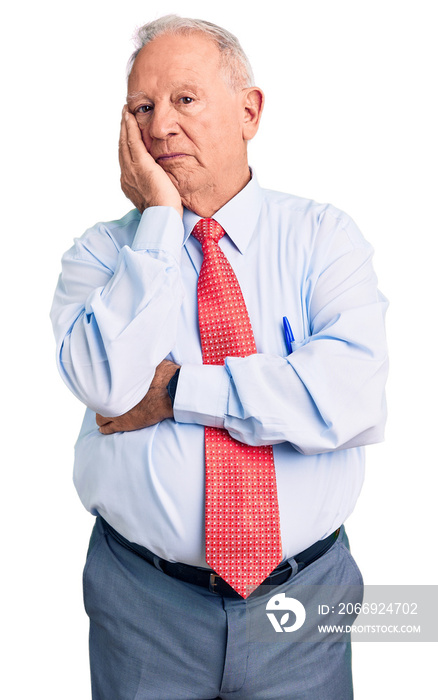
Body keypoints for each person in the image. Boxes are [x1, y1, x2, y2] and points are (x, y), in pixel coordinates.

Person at [50, 15, 388, 700]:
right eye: (142, 109)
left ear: (249, 111)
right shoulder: (100, 256)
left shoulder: (323, 238)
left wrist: (178, 394)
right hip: (143, 604)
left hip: (305, 600)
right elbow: (108, 387)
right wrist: (158, 227)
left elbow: (349, 399)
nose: (161, 127)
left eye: (185, 99)